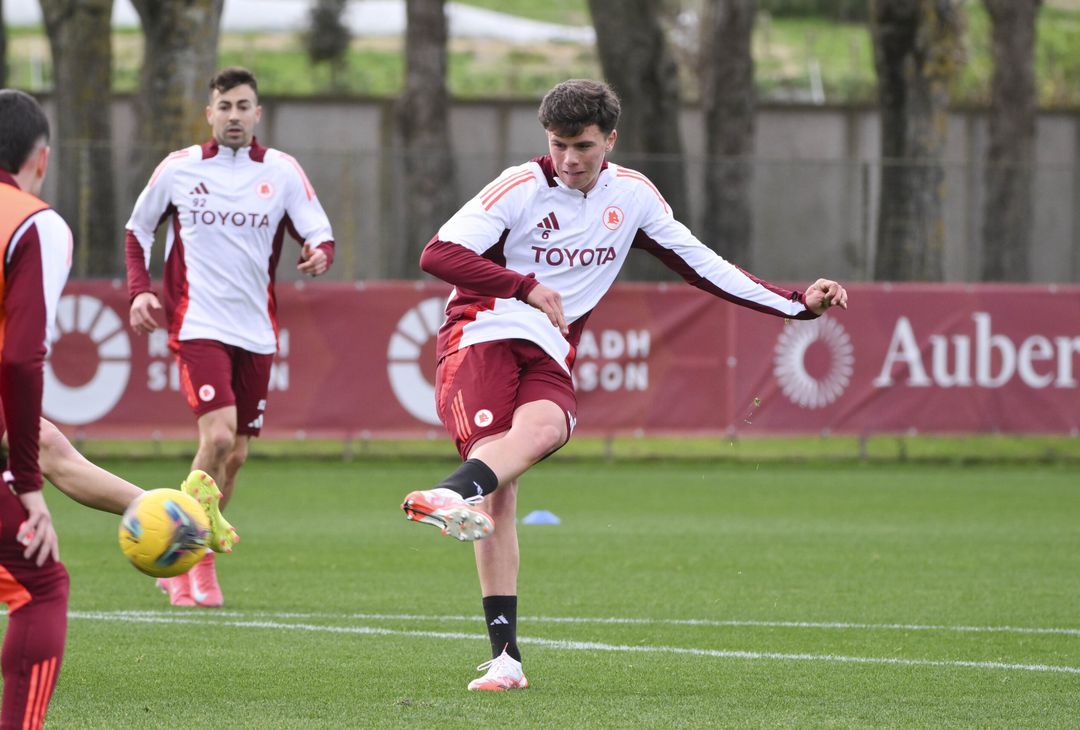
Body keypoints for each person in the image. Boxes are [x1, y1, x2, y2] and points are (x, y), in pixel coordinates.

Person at [400, 79, 850, 691]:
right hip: (481, 333)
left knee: (545, 431)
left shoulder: (633, 197)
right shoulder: (520, 187)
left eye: (583, 145)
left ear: (611, 140)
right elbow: (438, 254)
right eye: (558, 145)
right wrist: (525, 285)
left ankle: (452, 496)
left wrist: (798, 304)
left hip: (550, 349)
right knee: (498, 489)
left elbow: (704, 266)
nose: (569, 159)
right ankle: (505, 655)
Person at [0, 88, 237, 728]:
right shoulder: (32, 222)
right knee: (41, 585)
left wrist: (163, 508)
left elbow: (49, 448)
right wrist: (26, 489)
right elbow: (20, 363)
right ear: (41, 160)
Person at [124, 66, 334, 608]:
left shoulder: (282, 171)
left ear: (257, 114)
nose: (234, 116)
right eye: (225, 106)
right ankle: (181, 555)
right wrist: (139, 291)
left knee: (235, 455)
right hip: (198, 324)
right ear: (210, 113)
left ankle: (194, 555)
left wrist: (318, 254)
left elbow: (317, 229)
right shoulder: (180, 169)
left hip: (257, 330)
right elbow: (137, 228)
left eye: (244, 106)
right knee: (216, 438)